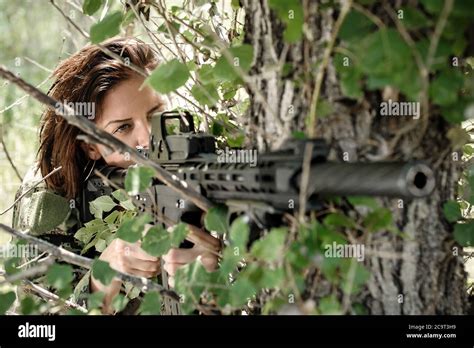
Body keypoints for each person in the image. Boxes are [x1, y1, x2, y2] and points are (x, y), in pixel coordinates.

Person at [12, 37, 218, 314]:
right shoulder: (50, 192)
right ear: (90, 146)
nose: (146, 138)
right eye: (123, 128)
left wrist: (212, 282)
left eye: (155, 114)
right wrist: (100, 281)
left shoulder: (196, 169)